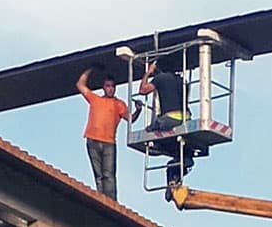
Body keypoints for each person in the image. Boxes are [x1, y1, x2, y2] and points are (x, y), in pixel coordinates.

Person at [77, 68, 137, 199]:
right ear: (103, 88)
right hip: (92, 139)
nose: (110, 89)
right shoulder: (95, 99)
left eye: (112, 86)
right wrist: (90, 70)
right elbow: (80, 85)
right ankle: (101, 198)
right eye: (108, 86)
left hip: (109, 142)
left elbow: (130, 118)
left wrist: (138, 110)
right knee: (99, 175)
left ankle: (111, 201)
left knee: (109, 175)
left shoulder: (118, 104)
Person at [138, 57, 194, 188]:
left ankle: (161, 149)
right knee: (181, 151)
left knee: (149, 131)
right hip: (186, 118)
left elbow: (142, 90)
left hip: (170, 119)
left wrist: (149, 72)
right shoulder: (183, 81)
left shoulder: (161, 78)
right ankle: (177, 171)